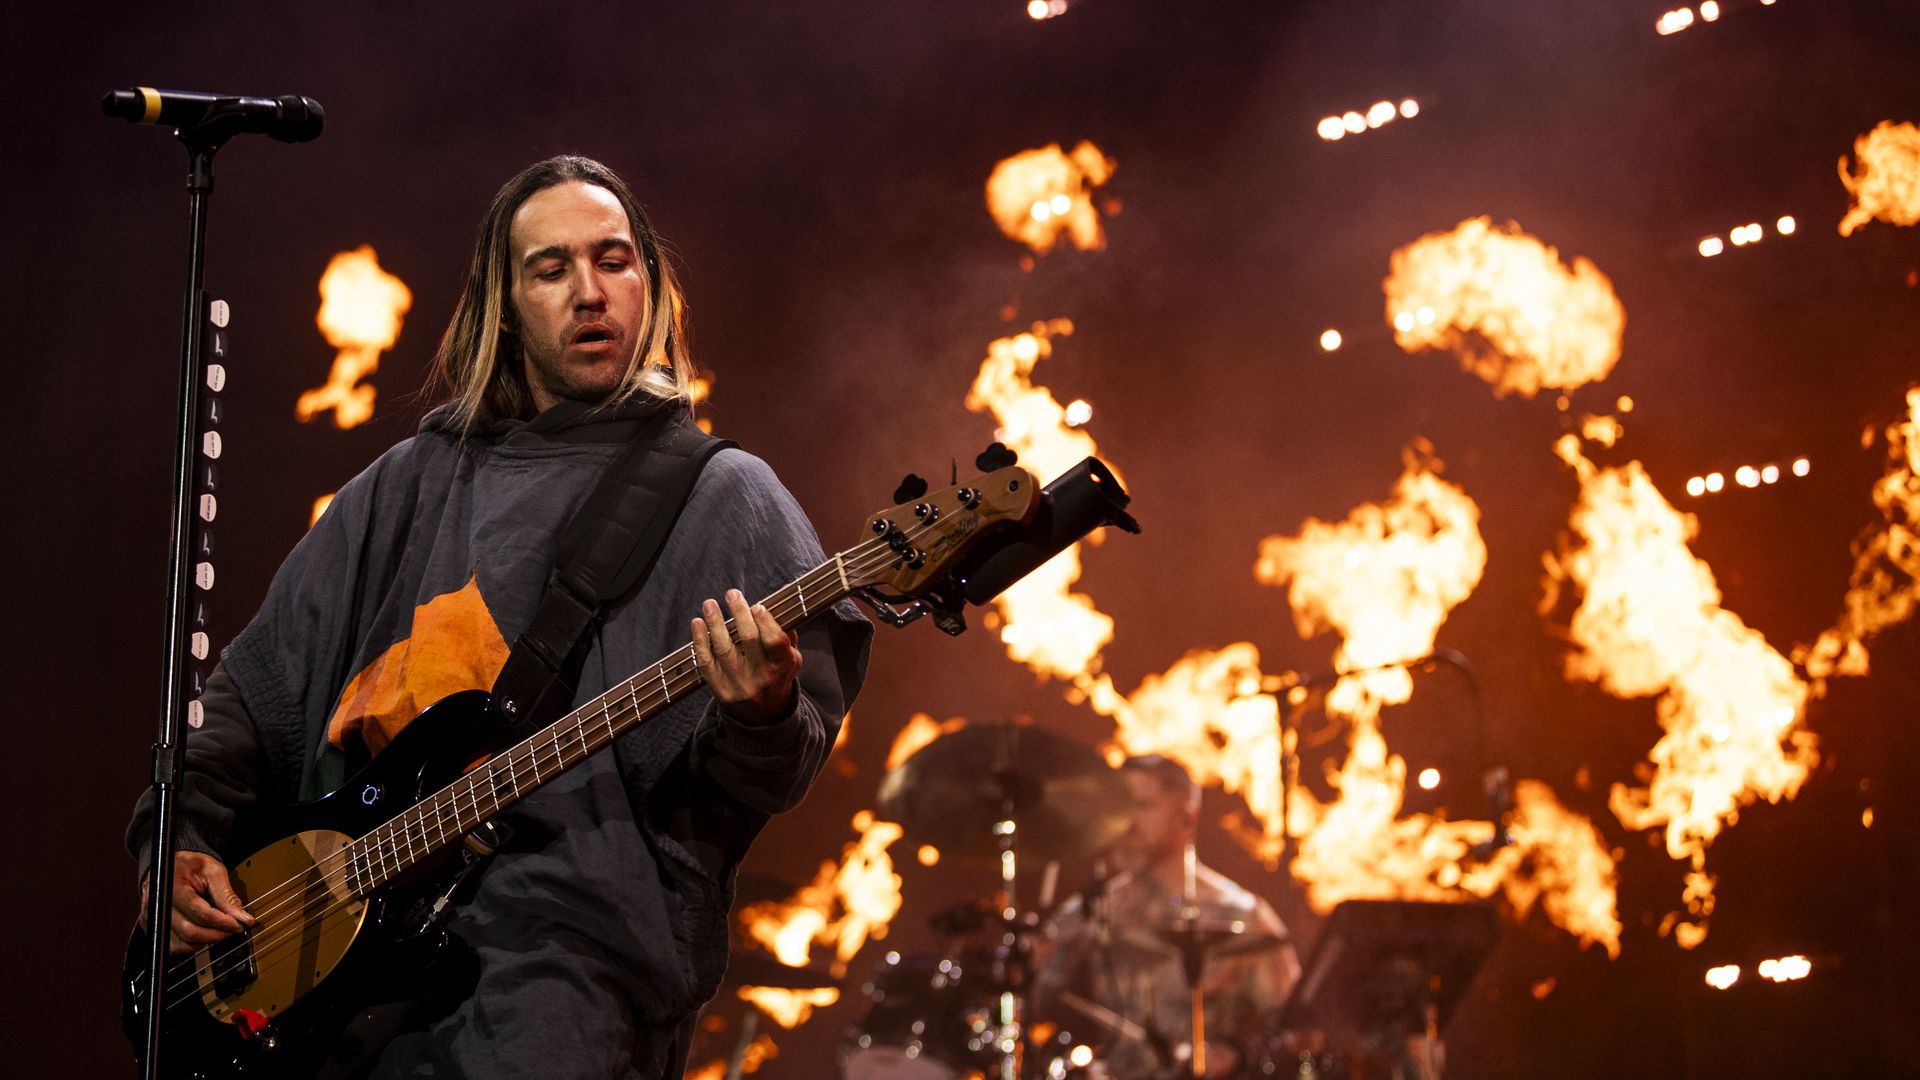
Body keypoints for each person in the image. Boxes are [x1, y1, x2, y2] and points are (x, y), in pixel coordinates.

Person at [125, 154, 872, 1079]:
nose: (590, 293)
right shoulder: (408, 483)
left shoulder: (722, 496)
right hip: (328, 992)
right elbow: (249, 695)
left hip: (561, 987)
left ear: (652, 283)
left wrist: (761, 710)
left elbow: (774, 771)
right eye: (551, 269)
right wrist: (181, 842)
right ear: (505, 305)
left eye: (614, 260)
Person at [1034, 755, 1299, 1079]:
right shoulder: (1092, 910)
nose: (1128, 821)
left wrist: (1236, 1054)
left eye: (1143, 806)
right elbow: (1031, 999)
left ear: (1186, 814)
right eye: (1122, 807)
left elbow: (1300, 1029)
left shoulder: (1242, 915)